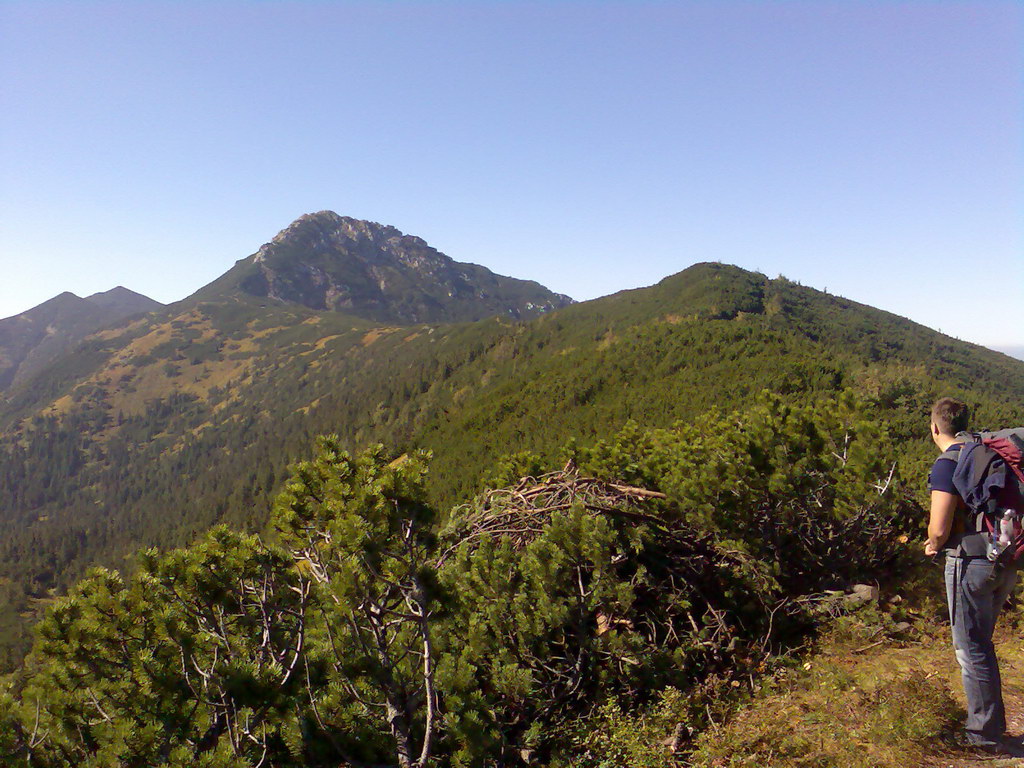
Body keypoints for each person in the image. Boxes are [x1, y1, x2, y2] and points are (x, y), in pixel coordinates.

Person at [925, 397, 1023, 756]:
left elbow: (939, 527)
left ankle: (984, 737)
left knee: (971, 649)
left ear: (935, 427)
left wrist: (932, 545)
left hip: (970, 563)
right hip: (1005, 559)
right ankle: (992, 727)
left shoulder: (947, 463)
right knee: (982, 644)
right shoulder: (984, 451)